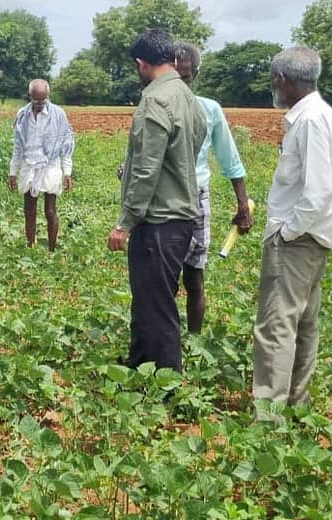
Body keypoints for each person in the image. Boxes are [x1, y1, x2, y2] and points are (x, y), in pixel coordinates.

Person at [252, 47, 332, 422]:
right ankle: (297, 404)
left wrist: (287, 232)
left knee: (276, 326)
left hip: (298, 239)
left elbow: (317, 191)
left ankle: (268, 417)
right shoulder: (326, 115)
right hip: (316, 238)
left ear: (281, 80)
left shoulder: (309, 120)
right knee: (303, 324)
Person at [108, 29, 206, 373]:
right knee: (148, 297)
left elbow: (148, 168)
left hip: (159, 220)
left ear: (141, 63)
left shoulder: (155, 100)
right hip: (180, 217)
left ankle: (166, 380)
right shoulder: (188, 97)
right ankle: (139, 364)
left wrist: (125, 221)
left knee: (158, 304)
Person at [174, 41, 253, 334]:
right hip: (163, 201)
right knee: (166, 278)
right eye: (175, 75)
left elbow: (229, 159)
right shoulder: (155, 105)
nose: (182, 81)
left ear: (195, 74)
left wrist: (243, 204)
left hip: (196, 198)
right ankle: (168, 342)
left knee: (194, 277)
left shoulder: (210, 109)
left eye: (187, 75)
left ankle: (193, 341)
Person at [8, 79, 74, 251]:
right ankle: (31, 246)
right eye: (36, 100)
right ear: (30, 96)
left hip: (50, 165)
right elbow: (18, 146)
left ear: (48, 96)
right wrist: (12, 172)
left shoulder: (58, 114)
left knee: (50, 211)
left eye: (43, 100)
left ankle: (52, 249)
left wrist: (67, 172)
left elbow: (66, 144)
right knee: (29, 210)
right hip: (29, 164)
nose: (39, 104)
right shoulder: (22, 115)